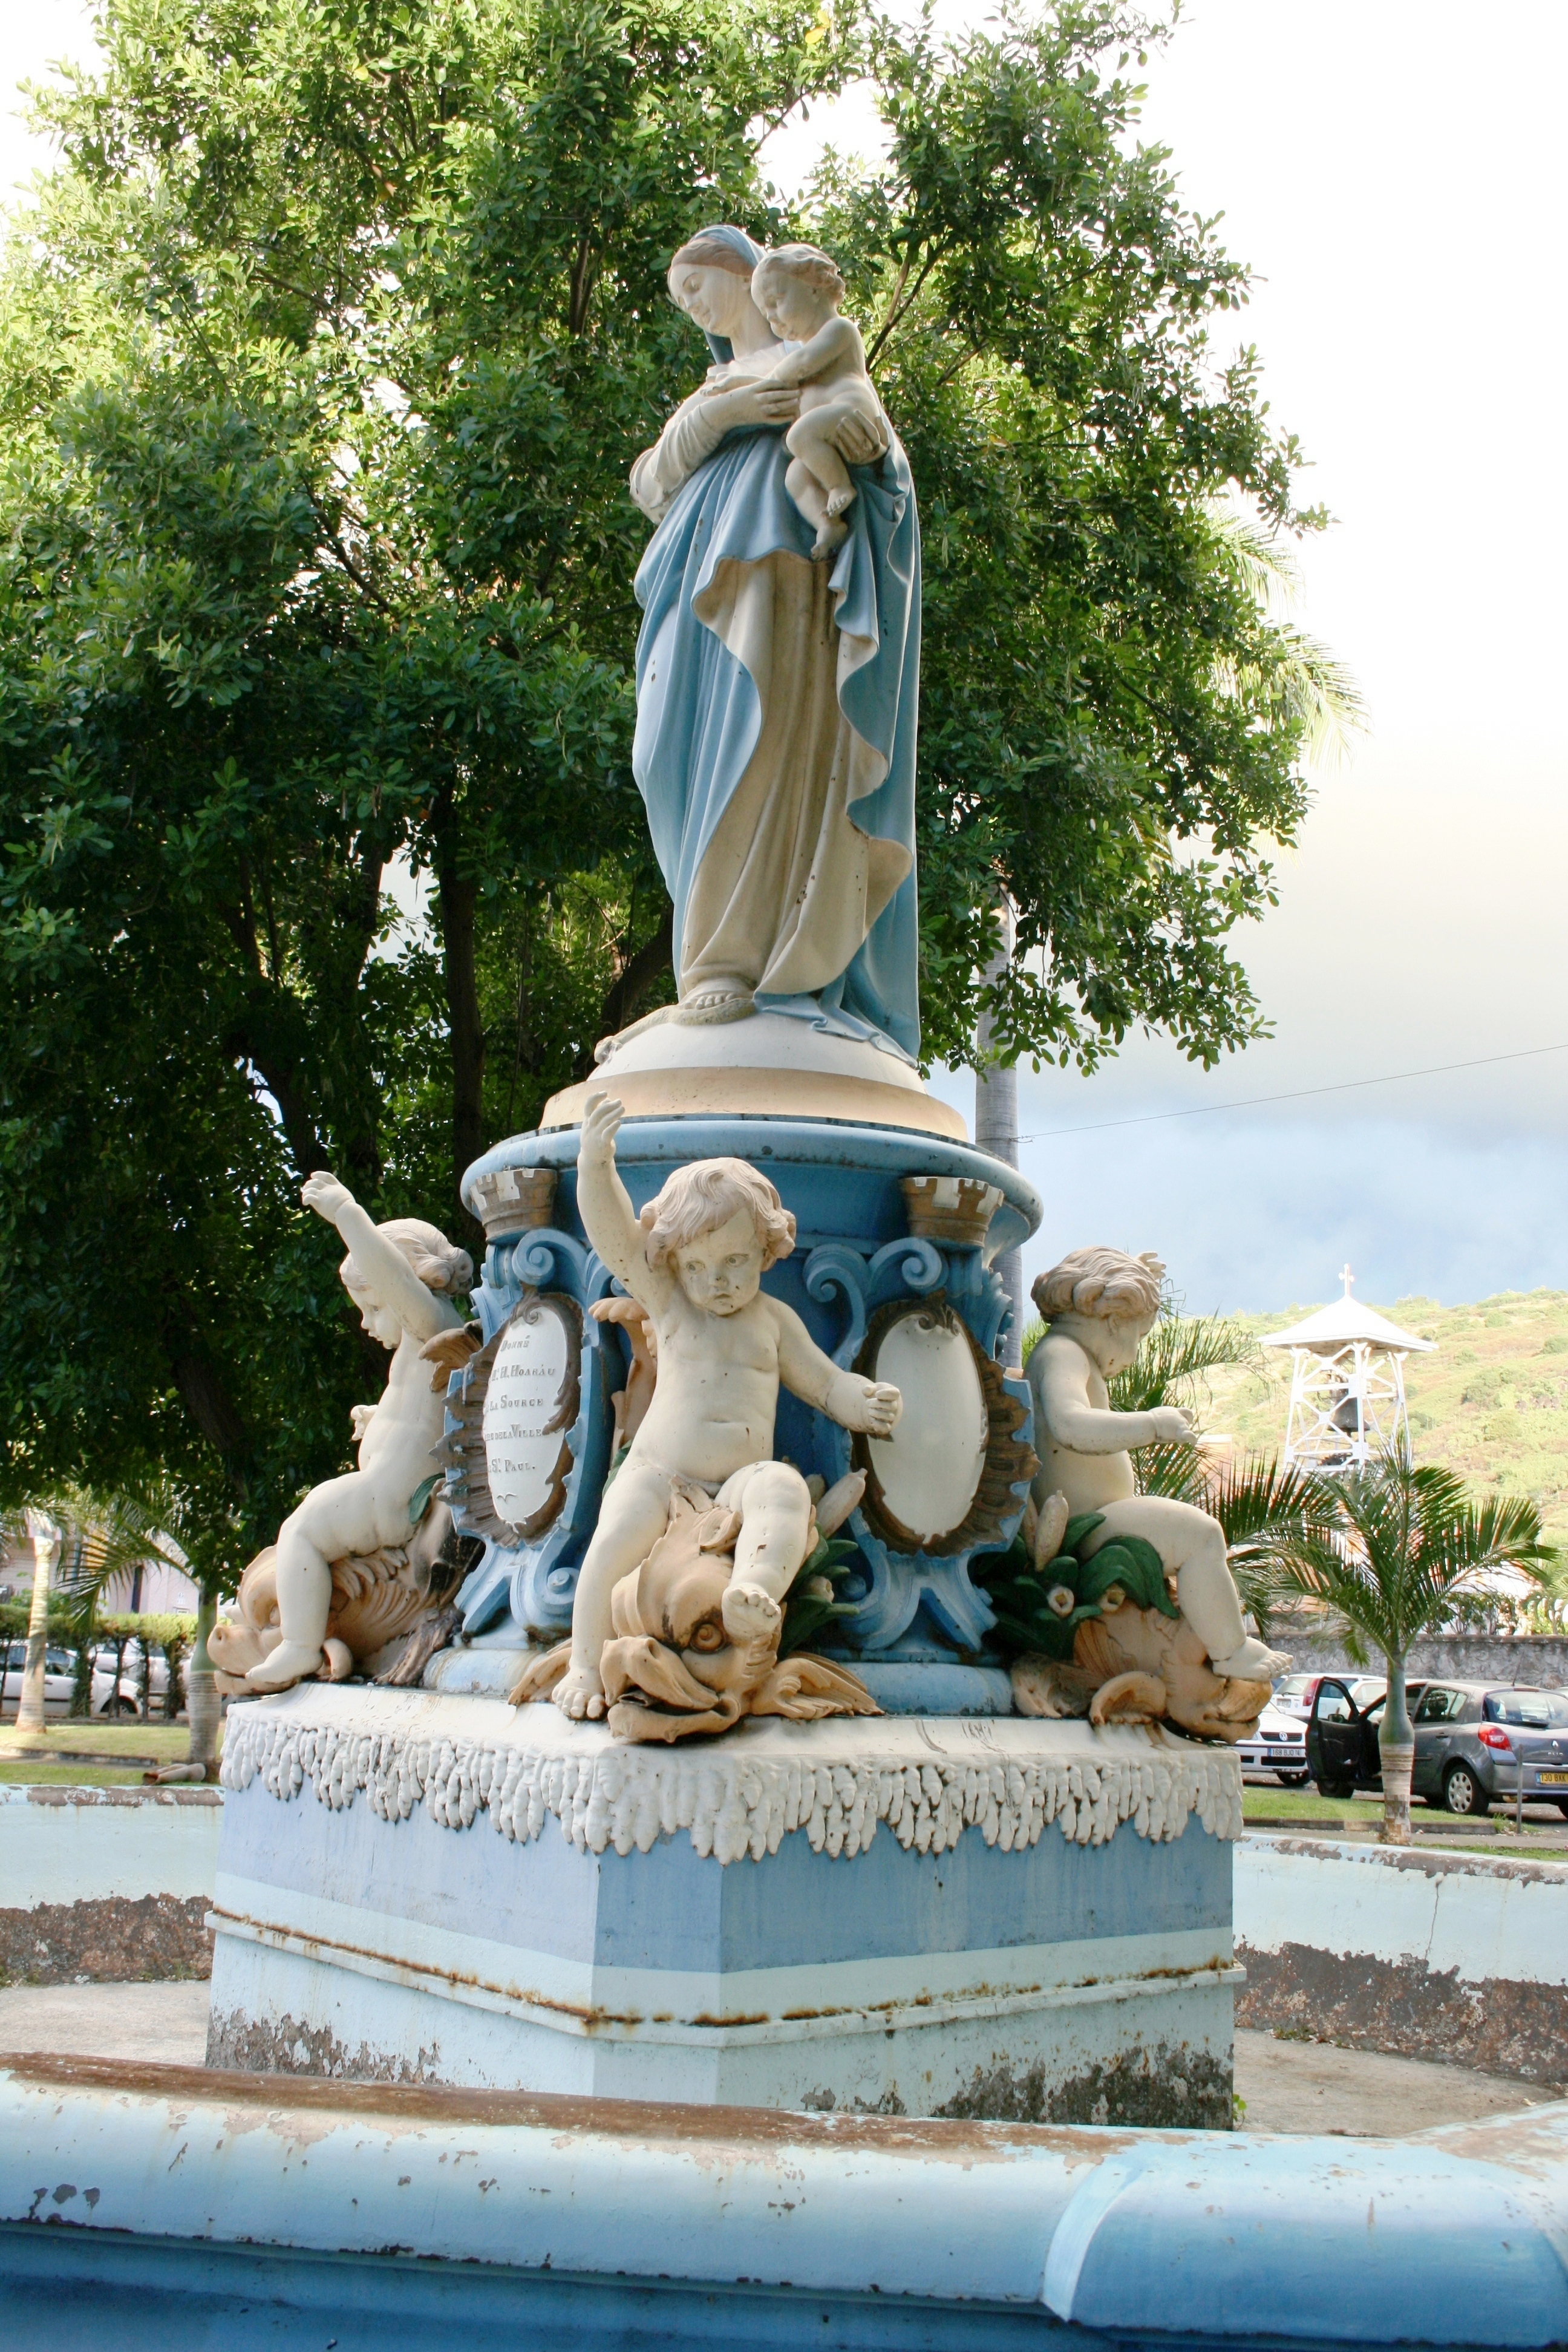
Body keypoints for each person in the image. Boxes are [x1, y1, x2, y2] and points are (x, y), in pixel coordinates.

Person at [621, 226, 921, 1052]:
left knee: (764, 744)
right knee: (668, 758)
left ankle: (737, 961)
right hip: (695, 589)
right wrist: (721, 416)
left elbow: (873, 458)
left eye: (697, 289)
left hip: (786, 579)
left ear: (743, 276)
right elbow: (650, 483)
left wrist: (842, 472)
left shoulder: (818, 356)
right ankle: (707, 953)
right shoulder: (715, 387)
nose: (693, 310)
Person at [546, 1093, 901, 1719]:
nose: (719, 1281)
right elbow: (614, 1238)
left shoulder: (774, 1322)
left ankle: (754, 1589)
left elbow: (823, 1383)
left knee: (784, 1490)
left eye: (736, 1262)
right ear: (675, 1263)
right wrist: (596, 1164)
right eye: (699, 1266)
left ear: (766, 1251)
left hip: (735, 1483)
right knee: (612, 1541)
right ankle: (583, 1663)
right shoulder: (672, 1302)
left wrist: (862, 1402)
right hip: (660, 1470)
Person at [244, 1174, 471, 1690]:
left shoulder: (431, 1320)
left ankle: (300, 1646)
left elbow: (396, 1281)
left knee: (300, 1533)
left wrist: (347, 1212)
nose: (367, 1324)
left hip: (388, 1500)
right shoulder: (423, 1343)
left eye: (372, 1307)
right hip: (387, 1492)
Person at [1027, 1246, 1288, 1684]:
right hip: (1089, 1524)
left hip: (1097, 1516)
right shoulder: (1063, 1353)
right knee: (1201, 1536)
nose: (1131, 1357)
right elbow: (1069, 1423)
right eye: (1137, 1337)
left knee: (1197, 1535)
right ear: (1113, 1321)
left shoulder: (1068, 1352)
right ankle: (1231, 1650)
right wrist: (1151, 1425)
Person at [728, 243, 888, 560]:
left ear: (814, 288)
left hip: (850, 415)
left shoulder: (839, 329)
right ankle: (827, 523)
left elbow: (800, 365)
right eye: (766, 313)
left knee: (799, 435)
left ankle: (841, 486)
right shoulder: (800, 350)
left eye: (776, 302)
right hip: (822, 435)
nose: (773, 319)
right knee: (795, 477)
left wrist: (755, 385)